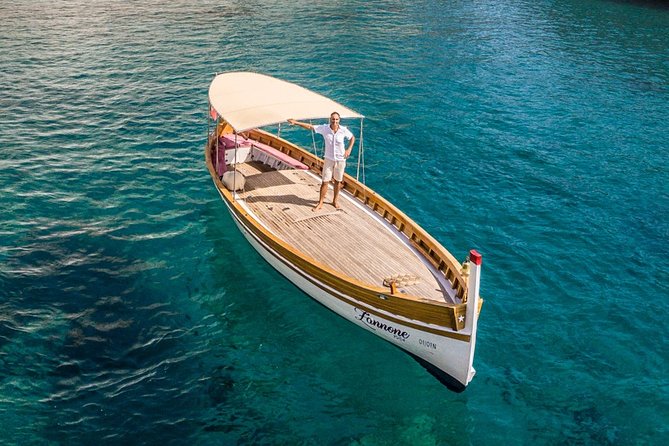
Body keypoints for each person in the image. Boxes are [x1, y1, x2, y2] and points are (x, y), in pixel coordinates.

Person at [288, 112, 355, 211]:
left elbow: (352, 138)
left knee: (338, 181)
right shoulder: (324, 128)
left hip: (340, 160)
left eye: (336, 119)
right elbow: (310, 127)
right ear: (330, 119)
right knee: (325, 181)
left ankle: (335, 201)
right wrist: (296, 123)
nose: (335, 121)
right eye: (333, 119)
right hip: (328, 159)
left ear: (339, 120)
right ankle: (320, 203)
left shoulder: (343, 130)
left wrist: (349, 149)